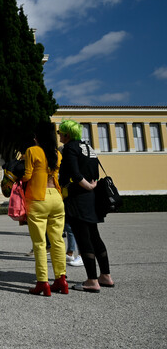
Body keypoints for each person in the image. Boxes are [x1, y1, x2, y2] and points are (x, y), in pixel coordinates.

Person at [58, 119, 114, 292]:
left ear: (67, 134)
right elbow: (95, 172)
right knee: (95, 236)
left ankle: (91, 280)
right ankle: (105, 275)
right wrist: (92, 185)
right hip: (91, 198)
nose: (59, 135)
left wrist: (86, 185)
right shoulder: (87, 147)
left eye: (60, 132)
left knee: (84, 238)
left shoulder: (70, 148)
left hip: (78, 197)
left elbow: (75, 173)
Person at [22, 122, 68, 296]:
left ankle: (43, 282)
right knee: (57, 241)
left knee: (40, 243)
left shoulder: (32, 151)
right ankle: (61, 279)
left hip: (37, 198)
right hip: (56, 198)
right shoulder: (57, 153)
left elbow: (27, 175)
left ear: (37, 137)